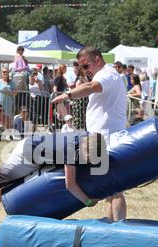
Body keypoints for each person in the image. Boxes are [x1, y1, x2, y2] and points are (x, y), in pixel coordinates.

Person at [0, 132, 104, 247]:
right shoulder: (72, 151)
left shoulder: (88, 137)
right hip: (26, 155)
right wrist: (88, 201)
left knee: (6, 191)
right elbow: (71, 185)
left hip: (42, 157)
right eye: (88, 159)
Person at [51, 46, 127, 221]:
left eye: (86, 66)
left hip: (107, 137)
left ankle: (120, 229)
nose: (84, 71)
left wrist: (67, 95)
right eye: (81, 67)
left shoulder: (106, 74)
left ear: (98, 60)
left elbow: (92, 87)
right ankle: (111, 226)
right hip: (102, 136)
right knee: (110, 189)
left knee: (116, 190)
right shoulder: (107, 73)